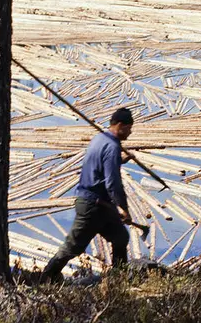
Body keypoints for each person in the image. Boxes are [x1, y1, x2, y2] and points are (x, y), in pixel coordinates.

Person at [37, 107, 134, 282]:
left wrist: (120, 160)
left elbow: (100, 163)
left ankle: (119, 279)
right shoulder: (112, 146)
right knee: (74, 245)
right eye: (128, 128)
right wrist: (124, 208)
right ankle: (47, 277)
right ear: (120, 125)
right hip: (92, 205)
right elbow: (113, 183)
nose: (130, 132)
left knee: (120, 237)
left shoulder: (100, 139)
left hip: (100, 205)